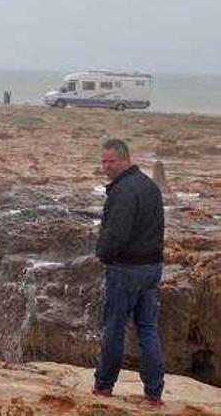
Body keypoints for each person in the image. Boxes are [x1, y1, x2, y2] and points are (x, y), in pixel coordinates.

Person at [93, 139, 165, 405]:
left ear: (125, 160)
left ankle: (103, 387)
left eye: (110, 161)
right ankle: (154, 393)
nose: (106, 166)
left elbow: (117, 234)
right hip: (151, 267)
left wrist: (102, 254)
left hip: (126, 269)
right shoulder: (149, 186)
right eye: (103, 161)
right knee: (147, 329)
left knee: (114, 328)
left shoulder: (123, 191)